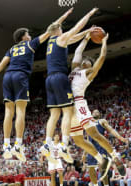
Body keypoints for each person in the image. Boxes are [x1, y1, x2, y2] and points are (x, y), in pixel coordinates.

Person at [0, 8, 74, 160]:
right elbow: (51, 29)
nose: (30, 35)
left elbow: (0, 65)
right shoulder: (30, 44)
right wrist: (64, 16)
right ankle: (18, 145)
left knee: (9, 112)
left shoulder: (11, 49)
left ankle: (6, 145)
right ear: (24, 37)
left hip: (7, 76)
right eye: (28, 34)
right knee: (20, 111)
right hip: (20, 77)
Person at [67, 33, 126, 179]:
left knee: (93, 134)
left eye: (89, 63)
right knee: (78, 140)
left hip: (79, 103)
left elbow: (101, 58)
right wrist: (86, 38)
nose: (85, 62)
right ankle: (102, 159)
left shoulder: (89, 73)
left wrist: (104, 43)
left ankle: (115, 156)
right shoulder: (74, 69)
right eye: (85, 62)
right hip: (67, 107)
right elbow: (78, 52)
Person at [44, 7, 98, 163]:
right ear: (58, 30)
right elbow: (77, 28)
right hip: (60, 77)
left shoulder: (52, 41)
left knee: (54, 114)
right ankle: (64, 144)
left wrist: (87, 35)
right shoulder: (60, 38)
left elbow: (75, 37)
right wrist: (89, 14)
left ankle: (47, 144)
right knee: (67, 112)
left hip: (49, 79)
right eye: (61, 28)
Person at [84, 109, 128, 186]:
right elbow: (87, 139)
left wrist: (120, 137)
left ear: (99, 114)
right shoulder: (88, 123)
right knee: (91, 169)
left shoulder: (102, 121)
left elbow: (111, 130)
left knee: (102, 169)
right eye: (94, 111)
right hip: (91, 147)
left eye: (97, 112)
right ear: (91, 114)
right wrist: (85, 151)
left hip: (101, 146)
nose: (96, 112)